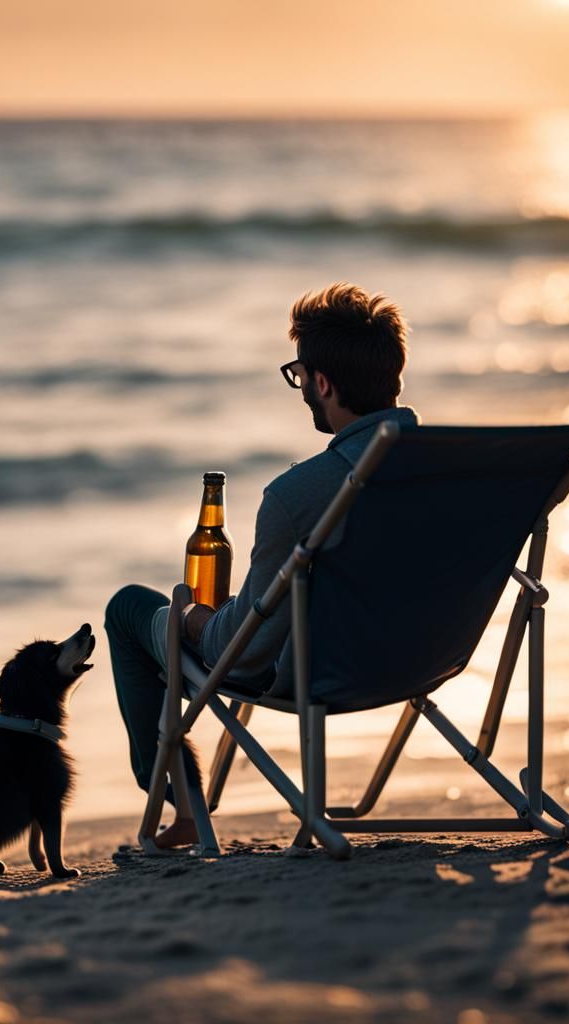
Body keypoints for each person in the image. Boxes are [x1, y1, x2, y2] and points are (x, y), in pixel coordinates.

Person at [104, 282, 419, 848]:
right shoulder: (452, 470)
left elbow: (240, 652)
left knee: (131, 609)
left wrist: (195, 617)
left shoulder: (297, 496)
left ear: (322, 381)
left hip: (314, 669)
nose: (301, 390)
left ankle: (177, 802)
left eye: (300, 376)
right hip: (427, 655)